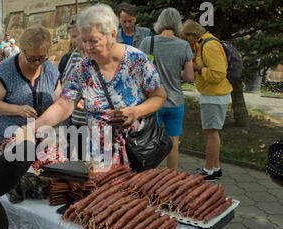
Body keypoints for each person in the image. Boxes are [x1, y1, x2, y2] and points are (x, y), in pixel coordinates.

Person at [27, 4, 166, 166]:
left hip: (136, 152)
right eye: (84, 41)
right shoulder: (83, 69)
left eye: (93, 41)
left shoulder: (137, 60)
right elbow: (63, 105)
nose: (86, 47)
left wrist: (136, 112)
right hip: (98, 157)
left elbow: (159, 96)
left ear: (112, 35)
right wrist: (31, 128)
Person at [0, 25, 61, 149]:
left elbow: (59, 104)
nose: (37, 63)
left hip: (43, 140)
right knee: (15, 169)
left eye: (42, 58)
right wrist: (18, 110)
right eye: (31, 59)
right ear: (22, 50)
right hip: (11, 139)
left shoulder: (51, 71)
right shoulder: (6, 70)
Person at [138, 8, 194, 169]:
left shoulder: (147, 42)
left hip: (153, 103)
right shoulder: (184, 46)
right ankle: (171, 179)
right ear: (178, 24)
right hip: (176, 102)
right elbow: (190, 77)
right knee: (174, 142)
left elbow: (137, 70)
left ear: (160, 22)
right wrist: (177, 71)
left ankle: (149, 179)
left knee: (150, 142)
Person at [181, 20, 233, 180]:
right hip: (211, 95)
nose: (187, 43)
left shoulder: (209, 46)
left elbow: (218, 74)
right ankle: (216, 168)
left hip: (215, 96)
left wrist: (198, 69)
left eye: (186, 39)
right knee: (210, 131)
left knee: (211, 133)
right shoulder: (202, 44)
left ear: (193, 36)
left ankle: (208, 170)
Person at [57, 14, 88, 159]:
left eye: (75, 36)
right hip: (75, 122)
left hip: (96, 127)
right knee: (75, 164)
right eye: (71, 36)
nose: (73, 40)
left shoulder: (99, 56)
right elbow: (65, 83)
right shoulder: (75, 55)